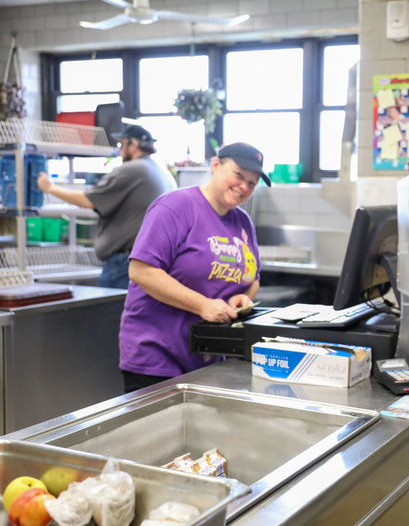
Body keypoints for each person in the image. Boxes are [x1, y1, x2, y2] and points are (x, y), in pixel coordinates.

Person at [118, 142, 269, 393]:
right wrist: (203, 305)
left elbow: (252, 278)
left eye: (252, 183)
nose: (244, 186)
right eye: (239, 175)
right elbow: (141, 270)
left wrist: (244, 298)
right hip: (157, 357)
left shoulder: (243, 223)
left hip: (208, 359)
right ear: (216, 165)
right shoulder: (176, 207)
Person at [37, 124, 177, 289]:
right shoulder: (161, 172)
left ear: (133, 146)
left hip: (125, 263)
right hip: (154, 259)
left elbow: (87, 200)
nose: (120, 150)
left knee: (110, 312)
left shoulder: (132, 170)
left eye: (122, 144)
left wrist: (50, 188)